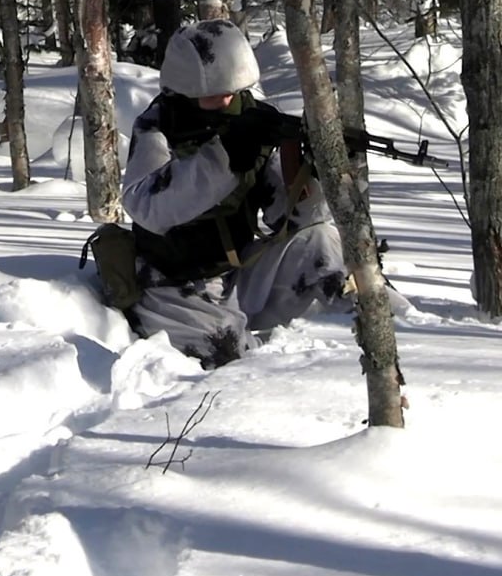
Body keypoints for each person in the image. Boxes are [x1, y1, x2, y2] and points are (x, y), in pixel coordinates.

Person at [119, 19, 351, 369]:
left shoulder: (250, 117)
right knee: (227, 357)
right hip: (172, 285)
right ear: (184, 90)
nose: (228, 99)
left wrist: (309, 171)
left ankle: (366, 324)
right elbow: (147, 207)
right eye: (214, 94)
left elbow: (293, 218)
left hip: (237, 273)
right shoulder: (159, 126)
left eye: (234, 90)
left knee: (320, 242)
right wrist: (225, 155)